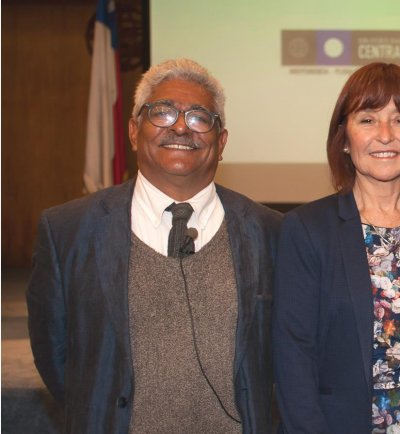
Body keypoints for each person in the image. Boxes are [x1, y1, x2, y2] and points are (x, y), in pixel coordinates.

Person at [26, 58, 281, 433]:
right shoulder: (67, 230)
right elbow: (56, 355)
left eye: (199, 117)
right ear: (133, 131)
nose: (180, 126)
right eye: (162, 113)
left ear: (221, 141)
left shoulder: (270, 232)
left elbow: (286, 357)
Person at [272, 62, 400, 434]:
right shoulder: (306, 229)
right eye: (368, 119)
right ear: (344, 139)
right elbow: (293, 357)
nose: (386, 135)